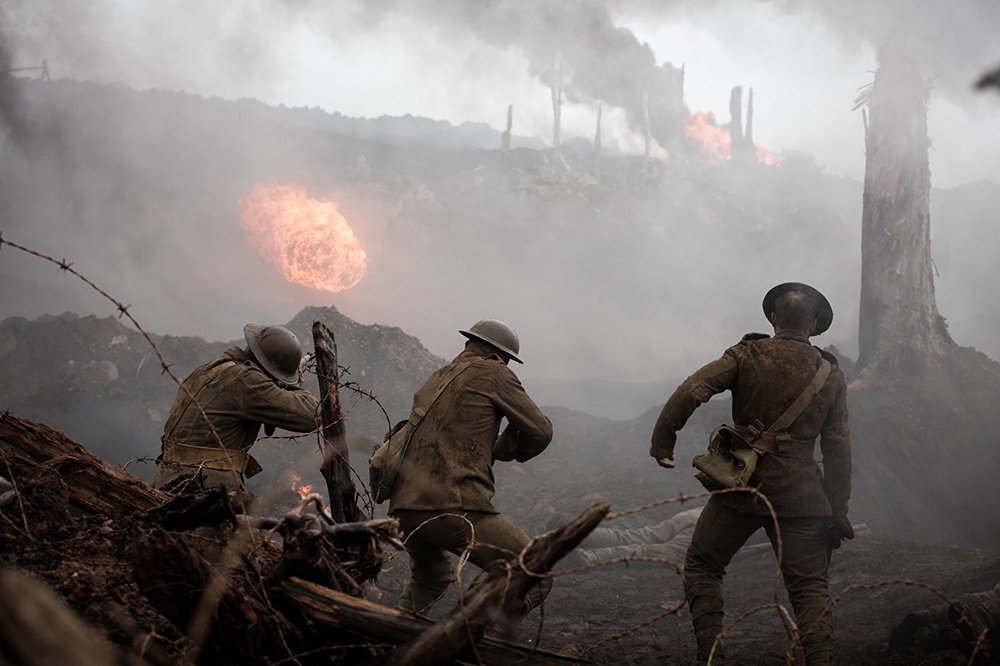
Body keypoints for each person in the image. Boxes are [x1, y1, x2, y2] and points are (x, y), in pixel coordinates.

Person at [651, 283, 853, 665]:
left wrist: (662, 442)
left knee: (702, 565)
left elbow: (693, 389)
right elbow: (838, 446)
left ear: (774, 318)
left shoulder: (747, 354)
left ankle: (711, 655)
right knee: (810, 589)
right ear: (812, 323)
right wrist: (837, 507)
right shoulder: (831, 375)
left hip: (741, 486)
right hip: (802, 497)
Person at [388, 319, 554, 632]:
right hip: (453, 506)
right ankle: (475, 642)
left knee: (430, 579)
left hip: (404, 507)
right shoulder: (494, 373)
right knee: (535, 571)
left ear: (469, 344)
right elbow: (540, 432)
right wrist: (504, 449)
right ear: (500, 356)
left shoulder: (436, 377)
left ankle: (384, 640)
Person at [153, 324, 320, 493]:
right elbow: (313, 415)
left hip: (169, 477)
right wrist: (292, 384)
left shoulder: (213, 368)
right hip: (204, 486)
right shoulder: (247, 380)